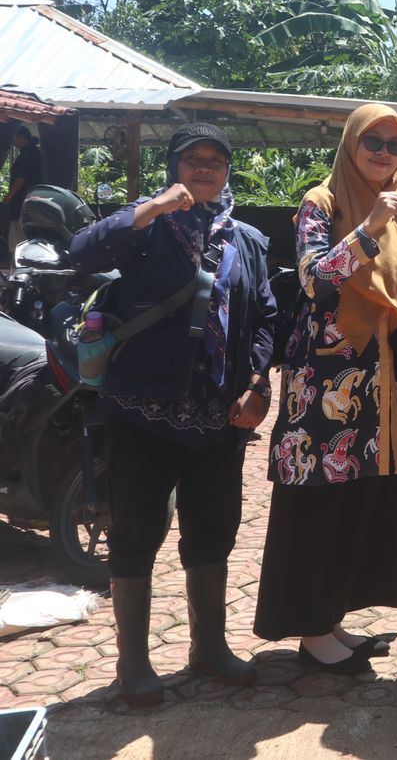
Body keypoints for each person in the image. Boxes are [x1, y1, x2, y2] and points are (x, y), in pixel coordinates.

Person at [67, 123, 276, 706]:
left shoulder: (249, 241)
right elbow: (81, 251)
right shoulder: (144, 230)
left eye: (215, 160)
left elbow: (265, 317)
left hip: (219, 416)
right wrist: (148, 208)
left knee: (212, 531)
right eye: (192, 160)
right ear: (174, 167)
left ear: (227, 170)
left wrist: (258, 384)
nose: (204, 169)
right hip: (142, 412)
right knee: (136, 531)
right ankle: (133, 663)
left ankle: (207, 649)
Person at [254, 104, 397, 674]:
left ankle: (333, 619)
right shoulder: (319, 203)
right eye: (371, 140)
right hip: (324, 383)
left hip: (380, 381)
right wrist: (369, 226)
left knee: (359, 500)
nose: (382, 152)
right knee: (318, 499)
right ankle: (309, 627)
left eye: (394, 144)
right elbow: (315, 277)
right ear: (350, 145)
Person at [3, 126, 43, 254]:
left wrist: (9, 197)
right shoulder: (33, 153)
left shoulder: (28, 154)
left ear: (22, 137)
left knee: (20, 231)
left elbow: (21, 179)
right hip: (29, 199)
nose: (14, 142)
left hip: (23, 199)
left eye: (15, 138)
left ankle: (20, 257)